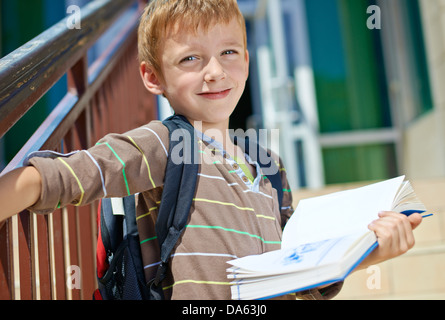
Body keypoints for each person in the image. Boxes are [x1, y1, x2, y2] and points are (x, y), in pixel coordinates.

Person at [0, 0, 422, 300]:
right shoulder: (163, 145)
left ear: (248, 61)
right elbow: (58, 177)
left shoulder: (267, 165)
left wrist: (366, 255)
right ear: (152, 77)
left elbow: (296, 279)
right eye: (190, 59)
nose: (215, 71)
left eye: (229, 52)